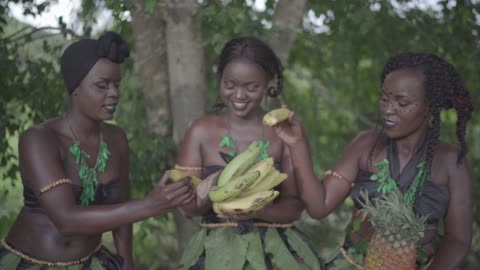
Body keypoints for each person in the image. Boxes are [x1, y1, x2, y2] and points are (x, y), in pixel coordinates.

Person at [0, 31, 195, 270]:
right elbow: (66, 221)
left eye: (116, 85)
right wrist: (150, 205)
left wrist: (127, 264)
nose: (114, 93)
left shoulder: (116, 138)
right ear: (75, 88)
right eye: (102, 85)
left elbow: (122, 213)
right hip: (32, 263)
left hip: (92, 262)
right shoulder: (39, 140)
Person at [273, 52, 474, 269]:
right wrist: (298, 145)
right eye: (384, 98)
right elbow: (319, 207)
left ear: (430, 106)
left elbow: (458, 240)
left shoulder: (450, 162)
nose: (387, 109)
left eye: (402, 102)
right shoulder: (366, 145)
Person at [175, 37, 322, 270]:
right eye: (230, 85)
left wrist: (260, 211)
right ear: (220, 80)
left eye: (252, 87)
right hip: (215, 252)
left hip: (272, 253)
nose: (239, 95)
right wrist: (206, 196)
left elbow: (294, 206)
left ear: (268, 85)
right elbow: (188, 207)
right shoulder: (200, 131)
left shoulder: (282, 133)